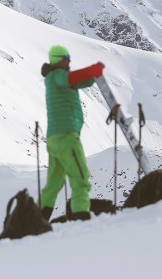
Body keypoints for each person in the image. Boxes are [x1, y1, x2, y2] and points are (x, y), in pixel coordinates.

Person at [39, 45, 104, 221]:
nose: (69, 59)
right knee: (80, 177)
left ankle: (39, 218)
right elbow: (71, 78)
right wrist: (92, 70)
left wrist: (94, 74)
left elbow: (82, 81)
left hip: (54, 139)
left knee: (54, 183)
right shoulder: (58, 76)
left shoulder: (54, 78)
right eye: (66, 57)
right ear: (58, 59)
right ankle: (81, 216)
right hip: (67, 136)